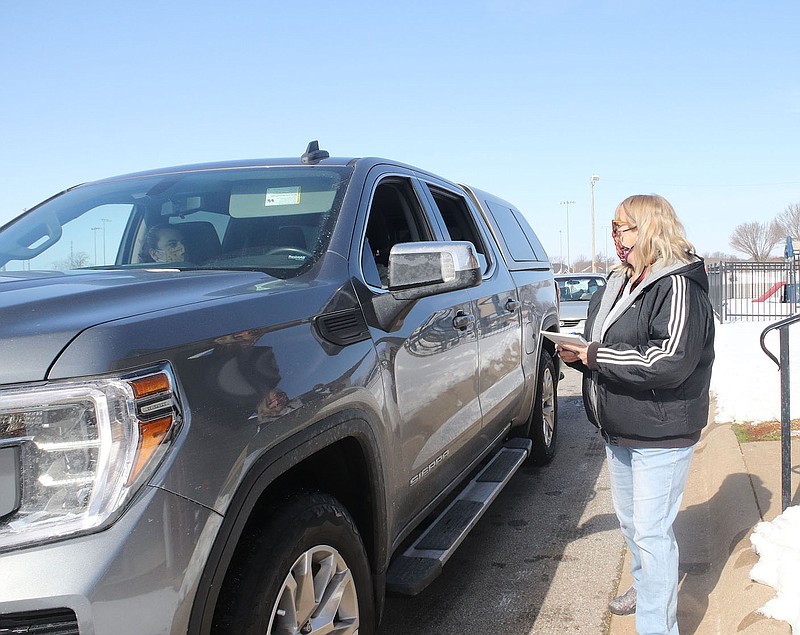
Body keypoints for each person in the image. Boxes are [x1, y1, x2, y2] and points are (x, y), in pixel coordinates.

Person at [557, 194, 714, 635]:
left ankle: (657, 627)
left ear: (650, 229)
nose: (616, 236)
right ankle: (646, 589)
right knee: (633, 526)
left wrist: (594, 355)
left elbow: (668, 360)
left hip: (662, 431)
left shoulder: (678, 285)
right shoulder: (620, 281)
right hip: (621, 429)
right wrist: (578, 354)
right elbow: (603, 343)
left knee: (651, 533)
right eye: (613, 227)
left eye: (624, 228)